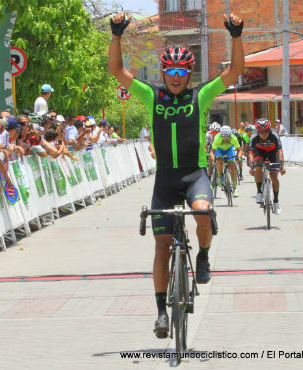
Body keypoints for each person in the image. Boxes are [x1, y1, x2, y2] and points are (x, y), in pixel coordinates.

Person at [108, 11, 245, 338]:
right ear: (163, 73)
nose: (174, 76)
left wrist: (236, 36)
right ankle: (160, 314)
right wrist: (116, 35)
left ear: (188, 73)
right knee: (161, 247)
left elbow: (236, 71)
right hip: (165, 179)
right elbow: (117, 70)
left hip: (194, 174)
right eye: (169, 70)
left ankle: (204, 256)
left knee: (202, 212)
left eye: (181, 71)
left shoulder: (200, 95)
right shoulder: (151, 95)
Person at [248, 118, 285, 215]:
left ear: (269, 130)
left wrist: (282, 166)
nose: (263, 134)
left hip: (272, 153)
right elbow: (251, 154)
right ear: (258, 131)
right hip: (259, 152)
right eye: (261, 132)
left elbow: (280, 152)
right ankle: (259, 192)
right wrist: (252, 167)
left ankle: (276, 202)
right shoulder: (254, 136)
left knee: (274, 177)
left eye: (265, 132)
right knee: (258, 166)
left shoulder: (274, 135)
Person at [210, 125, 243, 197]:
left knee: (232, 168)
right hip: (219, 150)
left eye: (227, 137)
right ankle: (220, 178)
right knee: (219, 162)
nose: (226, 139)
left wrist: (239, 157)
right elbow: (212, 152)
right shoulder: (217, 138)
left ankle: (234, 188)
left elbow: (240, 150)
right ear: (221, 136)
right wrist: (213, 160)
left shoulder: (233, 138)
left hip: (229, 150)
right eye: (224, 137)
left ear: (230, 135)